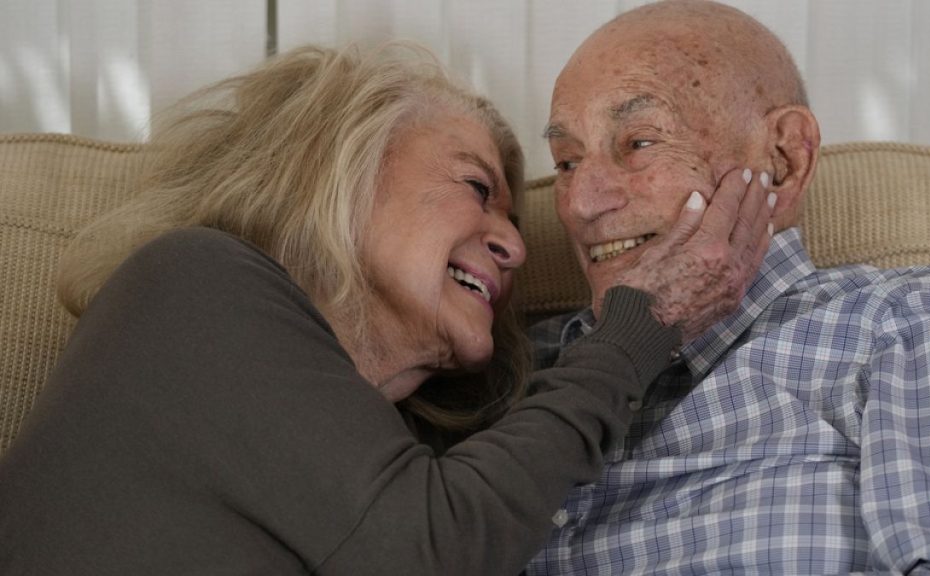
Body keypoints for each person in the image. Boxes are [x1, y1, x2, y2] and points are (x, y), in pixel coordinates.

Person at [0, 44, 774, 575]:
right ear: (337, 167)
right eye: (476, 188)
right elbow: (429, 549)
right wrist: (641, 324)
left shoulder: (394, 457)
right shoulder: (187, 286)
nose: (513, 243)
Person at [526, 1, 930, 574]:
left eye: (639, 143)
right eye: (565, 162)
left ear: (784, 160)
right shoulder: (517, 367)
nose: (582, 204)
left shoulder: (914, 323)